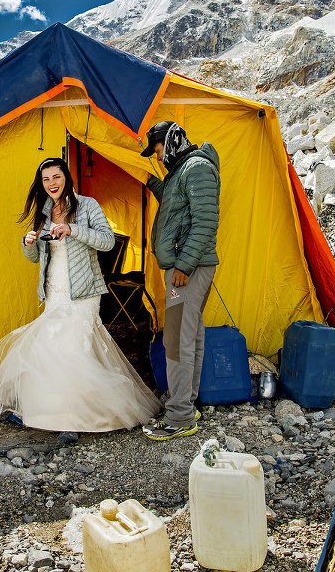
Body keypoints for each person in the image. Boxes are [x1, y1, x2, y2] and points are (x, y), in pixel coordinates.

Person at [0, 157, 161, 431]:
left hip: (84, 291)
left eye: (56, 177)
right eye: (46, 179)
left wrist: (72, 229)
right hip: (54, 291)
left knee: (73, 349)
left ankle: (79, 420)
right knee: (54, 349)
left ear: (67, 178)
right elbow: (37, 257)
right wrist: (28, 243)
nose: (52, 183)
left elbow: (108, 241)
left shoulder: (87, 205)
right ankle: (56, 416)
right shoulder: (45, 211)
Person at [139, 121, 220, 441]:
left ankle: (180, 417)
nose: (157, 157)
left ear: (170, 142)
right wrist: (149, 181)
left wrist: (184, 265)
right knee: (191, 334)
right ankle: (187, 402)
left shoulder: (197, 167)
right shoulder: (183, 171)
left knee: (176, 343)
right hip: (187, 267)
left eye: (157, 149)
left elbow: (205, 221)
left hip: (189, 269)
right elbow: (177, 204)